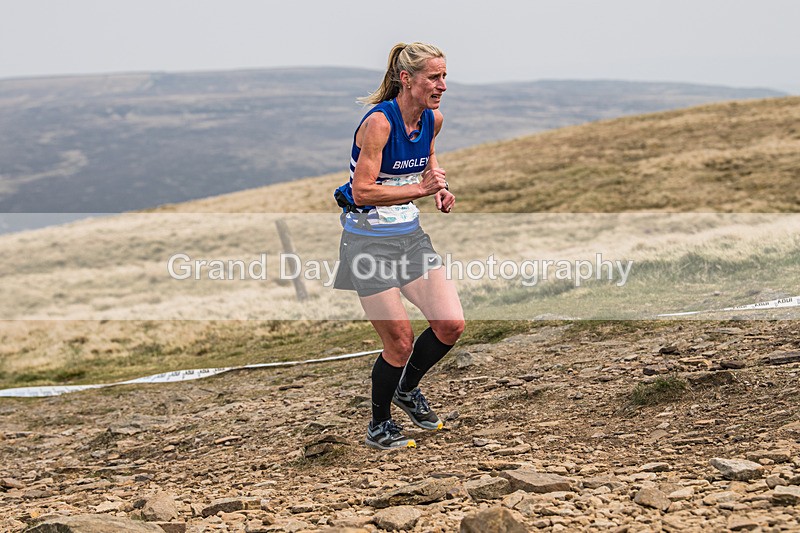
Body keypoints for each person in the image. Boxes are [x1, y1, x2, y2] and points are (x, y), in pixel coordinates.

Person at [333, 42, 465, 450]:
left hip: (409, 237)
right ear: (406, 79)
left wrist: (438, 186)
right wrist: (419, 189)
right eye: (433, 77)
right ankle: (379, 424)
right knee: (400, 341)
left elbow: (427, 160)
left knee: (450, 324)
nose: (442, 85)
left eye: (444, 76)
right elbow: (362, 190)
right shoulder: (379, 123)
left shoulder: (432, 119)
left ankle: (407, 390)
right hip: (367, 243)